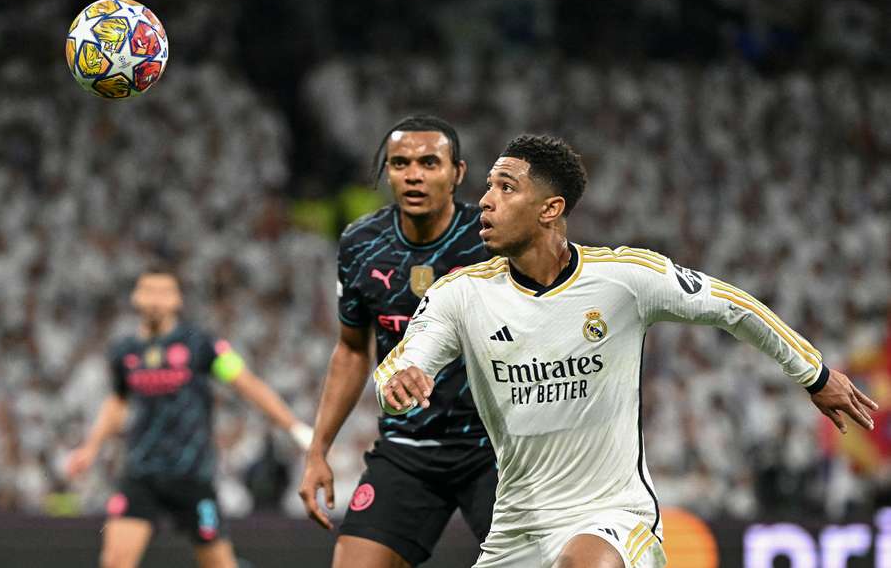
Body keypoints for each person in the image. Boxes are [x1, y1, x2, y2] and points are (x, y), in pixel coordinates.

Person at [374, 134, 879, 568]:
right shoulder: (460, 294)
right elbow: (404, 362)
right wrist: (397, 383)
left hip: (612, 516)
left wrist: (814, 374)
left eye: (505, 188)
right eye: (487, 186)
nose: (484, 200)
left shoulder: (623, 278)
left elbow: (730, 305)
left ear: (551, 209)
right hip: (517, 526)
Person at [298, 115, 497, 568]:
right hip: (407, 448)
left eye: (429, 162)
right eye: (400, 163)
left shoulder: (491, 241)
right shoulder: (360, 243)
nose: (414, 174)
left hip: (496, 449)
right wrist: (318, 451)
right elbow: (351, 351)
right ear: (387, 172)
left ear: (458, 173)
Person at [66, 266, 313, 568]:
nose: (155, 300)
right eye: (149, 292)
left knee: (218, 564)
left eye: (164, 292)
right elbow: (118, 401)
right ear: (136, 298)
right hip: (141, 474)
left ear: (177, 300)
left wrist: (294, 426)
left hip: (192, 475)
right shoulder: (124, 351)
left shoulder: (200, 345)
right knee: (116, 561)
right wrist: (91, 448)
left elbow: (245, 382)